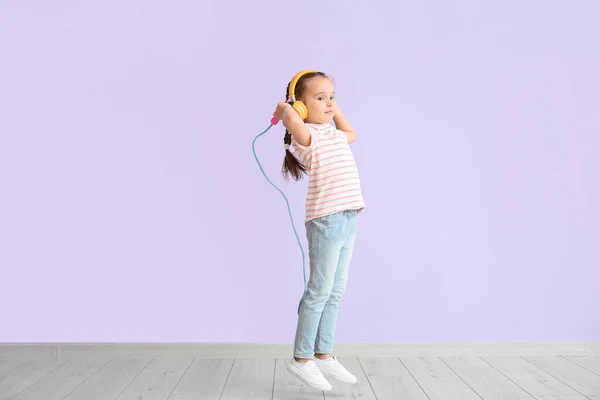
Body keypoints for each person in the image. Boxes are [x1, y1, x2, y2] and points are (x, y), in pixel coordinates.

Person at [272, 70, 365, 391]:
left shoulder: (335, 135)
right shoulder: (306, 137)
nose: (329, 104)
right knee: (319, 291)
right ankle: (301, 359)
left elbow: (351, 130)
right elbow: (289, 118)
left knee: (335, 291)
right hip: (325, 220)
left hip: (349, 217)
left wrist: (331, 106)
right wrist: (289, 108)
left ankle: (323, 353)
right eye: (320, 98)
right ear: (301, 106)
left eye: (332, 97)